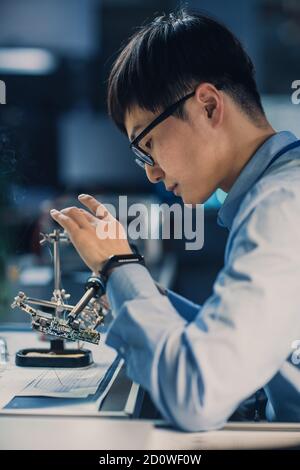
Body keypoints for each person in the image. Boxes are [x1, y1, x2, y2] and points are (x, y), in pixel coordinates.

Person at [50, 10, 300, 431]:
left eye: (147, 143)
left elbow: (197, 394)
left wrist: (119, 266)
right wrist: (138, 289)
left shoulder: (280, 206)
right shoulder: (274, 192)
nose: (150, 171)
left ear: (207, 105)